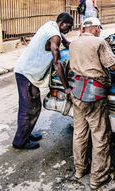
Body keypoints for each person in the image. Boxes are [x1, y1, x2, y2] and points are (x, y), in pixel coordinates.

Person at [68, 17, 115, 190]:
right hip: (94, 95)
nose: (100, 31)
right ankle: (99, 178)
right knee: (100, 136)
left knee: (79, 133)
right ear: (96, 28)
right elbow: (113, 66)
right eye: (99, 28)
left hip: (77, 93)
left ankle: (80, 170)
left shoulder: (73, 44)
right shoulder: (99, 42)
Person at [12, 12, 74, 150]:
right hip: (26, 73)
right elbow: (57, 62)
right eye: (68, 27)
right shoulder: (55, 36)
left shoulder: (51, 25)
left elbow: (64, 39)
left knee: (33, 106)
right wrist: (66, 87)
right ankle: (20, 141)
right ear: (61, 23)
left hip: (27, 71)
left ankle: (26, 134)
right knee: (29, 108)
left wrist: (71, 44)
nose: (68, 30)